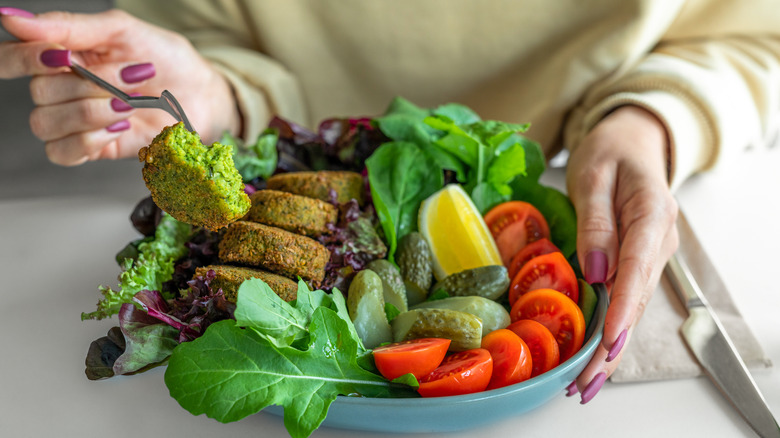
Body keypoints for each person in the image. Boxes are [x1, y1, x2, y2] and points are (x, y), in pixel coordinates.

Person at [1, 1, 778, 404]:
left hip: (583, 176)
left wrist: (650, 121)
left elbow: (756, 34)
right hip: (278, 154)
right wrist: (221, 91)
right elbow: (214, 28)